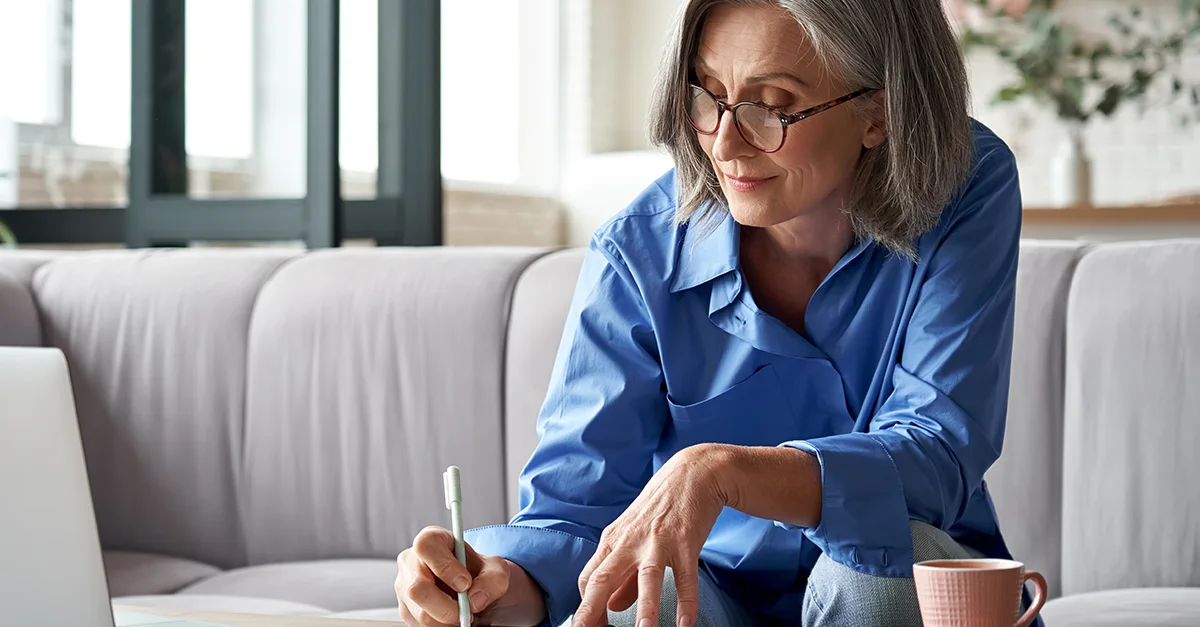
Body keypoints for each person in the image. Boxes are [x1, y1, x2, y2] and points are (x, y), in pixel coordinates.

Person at [396, 1, 1038, 625]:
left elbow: (939, 451)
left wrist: (724, 472)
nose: (725, 144)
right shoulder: (637, 250)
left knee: (876, 562)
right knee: (636, 596)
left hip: (897, 586)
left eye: (772, 107)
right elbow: (574, 509)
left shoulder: (965, 185)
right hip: (715, 596)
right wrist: (501, 584)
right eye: (707, 97)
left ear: (880, 111)